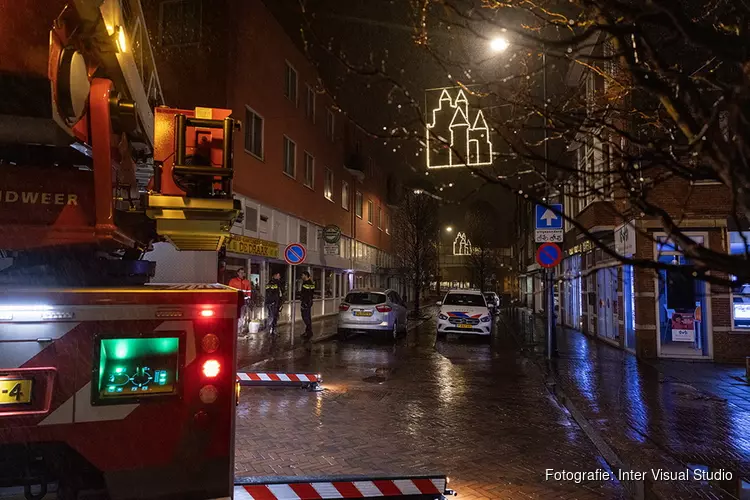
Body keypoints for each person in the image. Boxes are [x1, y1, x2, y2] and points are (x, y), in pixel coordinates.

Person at [228, 268, 251, 334]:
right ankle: (235, 330)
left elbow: (249, 291)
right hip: (235, 301)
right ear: (237, 273)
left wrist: (248, 299)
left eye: (243, 273)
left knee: (241, 316)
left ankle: (239, 331)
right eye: (240, 272)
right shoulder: (232, 281)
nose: (242, 274)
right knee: (235, 316)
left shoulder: (247, 282)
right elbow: (230, 291)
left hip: (243, 302)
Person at [300, 271, 316, 339]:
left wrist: (304, 303)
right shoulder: (311, 283)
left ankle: (309, 332)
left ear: (306, 276)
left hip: (306, 302)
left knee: (305, 317)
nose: (301, 276)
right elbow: (311, 293)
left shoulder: (306, 283)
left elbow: (305, 294)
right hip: (309, 302)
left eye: (302, 275)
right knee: (308, 317)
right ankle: (308, 331)